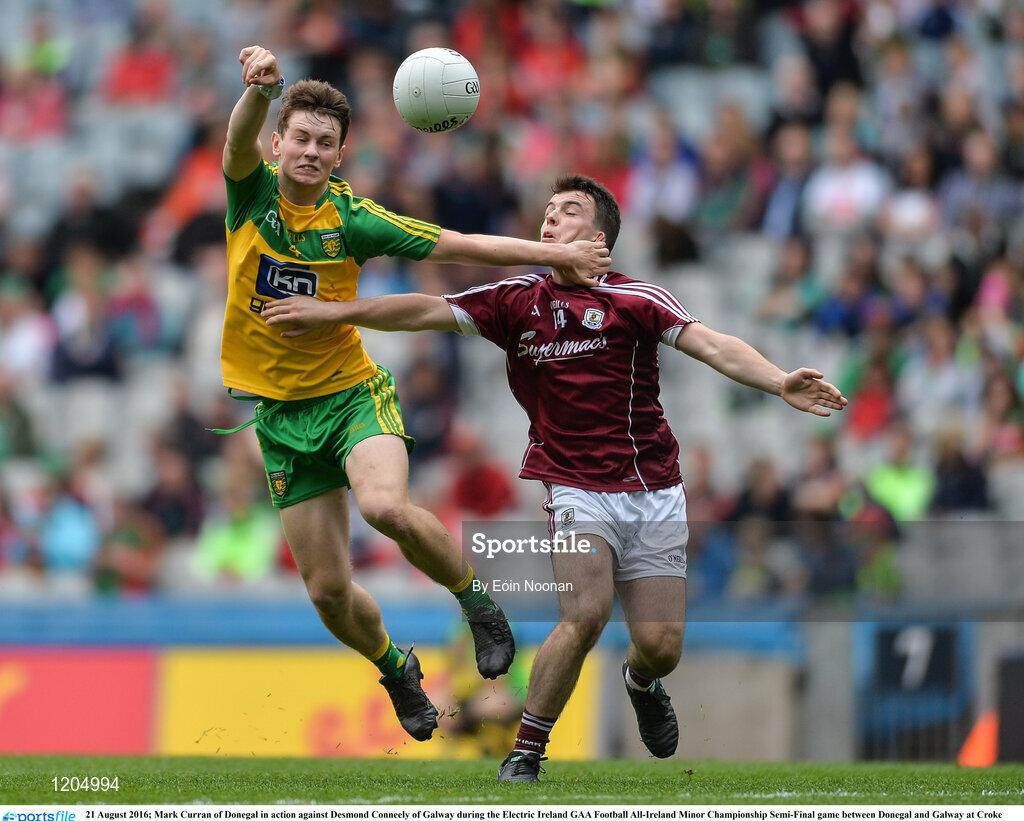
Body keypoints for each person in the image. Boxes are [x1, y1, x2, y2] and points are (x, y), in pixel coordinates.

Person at [260, 174, 847, 780]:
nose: (550, 220)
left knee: (661, 647)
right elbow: (420, 311)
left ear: (598, 238)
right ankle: (526, 753)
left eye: (568, 212)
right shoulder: (517, 299)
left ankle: (641, 683)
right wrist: (335, 314)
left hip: (654, 488)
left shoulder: (636, 298)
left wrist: (779, 382)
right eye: (547, 211)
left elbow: (714, 346)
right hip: (572, 486)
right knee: (585, 614)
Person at [220, 46, 611, 744]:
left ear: (341, 154)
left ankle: (476, 601)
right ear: (277, 143)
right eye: (300, 138)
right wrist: (259, 89)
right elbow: (235, 137)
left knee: (384, 506)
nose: (310, 151)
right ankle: (394, 666)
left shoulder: (355, 219)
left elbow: (460, 243)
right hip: (279, 418)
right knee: (328, 593)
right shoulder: (250, 193)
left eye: (325, 143)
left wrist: (558, 255)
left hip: (350, 397)